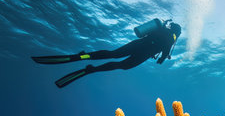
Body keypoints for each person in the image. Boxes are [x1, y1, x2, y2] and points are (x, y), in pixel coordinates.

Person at [32, 19, 181, 88]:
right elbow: (164, 53)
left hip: (136, 45)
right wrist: (162, 58)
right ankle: (92, 69)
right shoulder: (171, 38)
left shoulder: (161, 28)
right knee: (121, 65)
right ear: (177, 33)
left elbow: (145, 35)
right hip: (142, 54)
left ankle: (84, 55)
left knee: (113, 54)